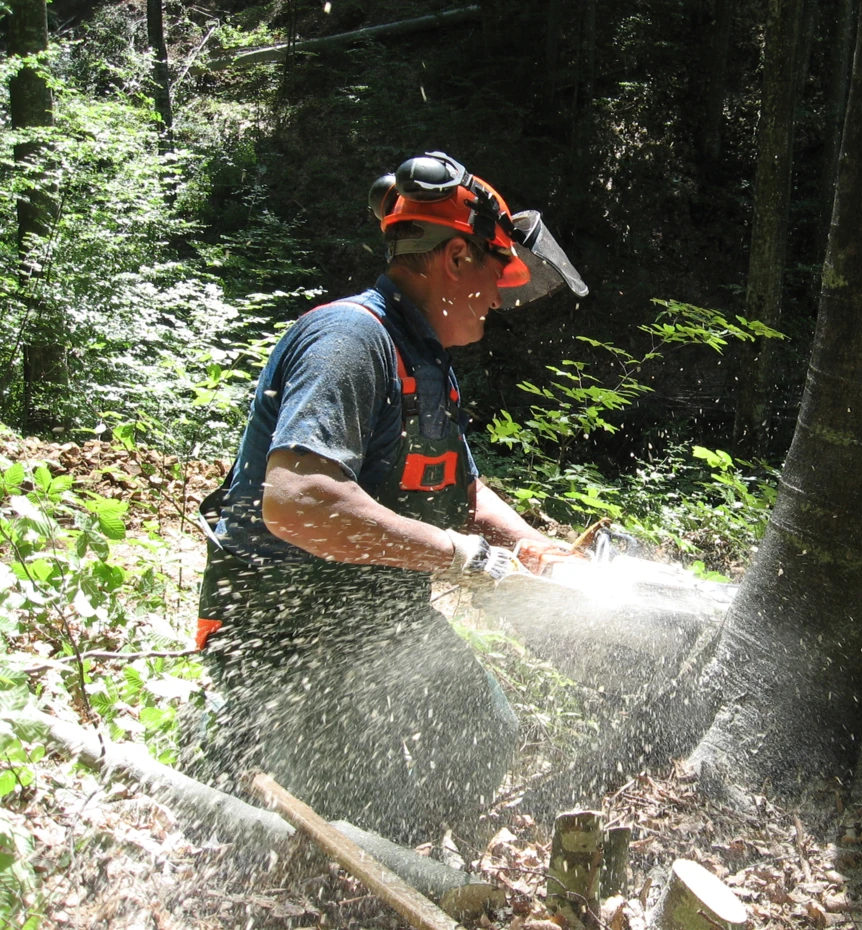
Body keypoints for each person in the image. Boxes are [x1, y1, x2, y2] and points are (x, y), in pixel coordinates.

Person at [195, 151, 589, 844]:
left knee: (486, 732)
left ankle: (412, 852)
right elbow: (298, 501)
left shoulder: (425, 358)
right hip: (286, 626)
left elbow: (458, 488)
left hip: (371, 612)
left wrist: (531, 546)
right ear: (457, 258)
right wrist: (458, 557)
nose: (501, 296)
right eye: (498, 272)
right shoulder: (350, 340)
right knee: (350, 820)